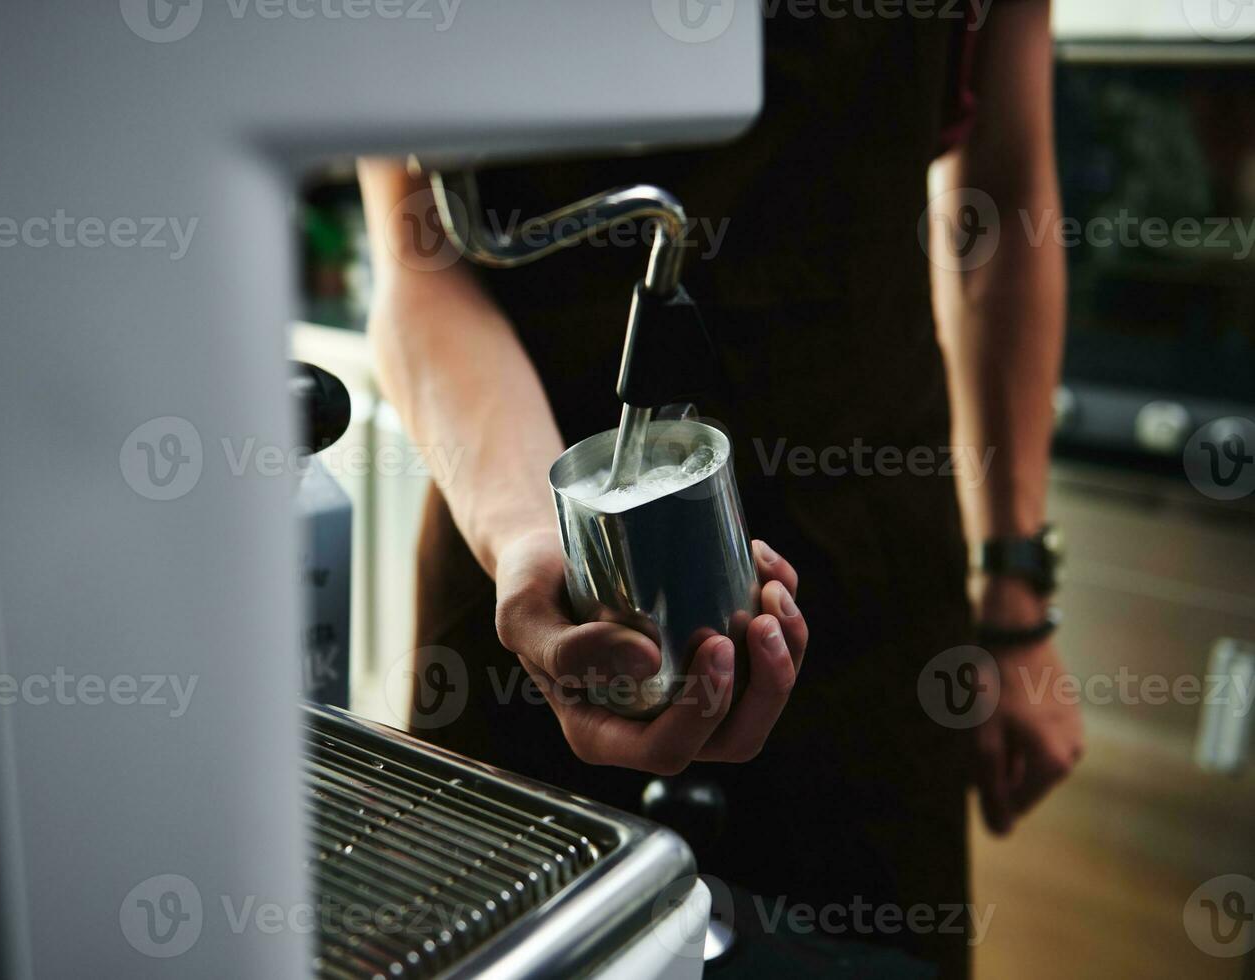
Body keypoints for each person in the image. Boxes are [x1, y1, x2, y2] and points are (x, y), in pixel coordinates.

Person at [358, 2, 1084, 975]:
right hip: (537, 573)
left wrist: (1016, 588)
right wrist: (538, 543)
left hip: (867, 578)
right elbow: (421, 264)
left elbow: (997, 202)